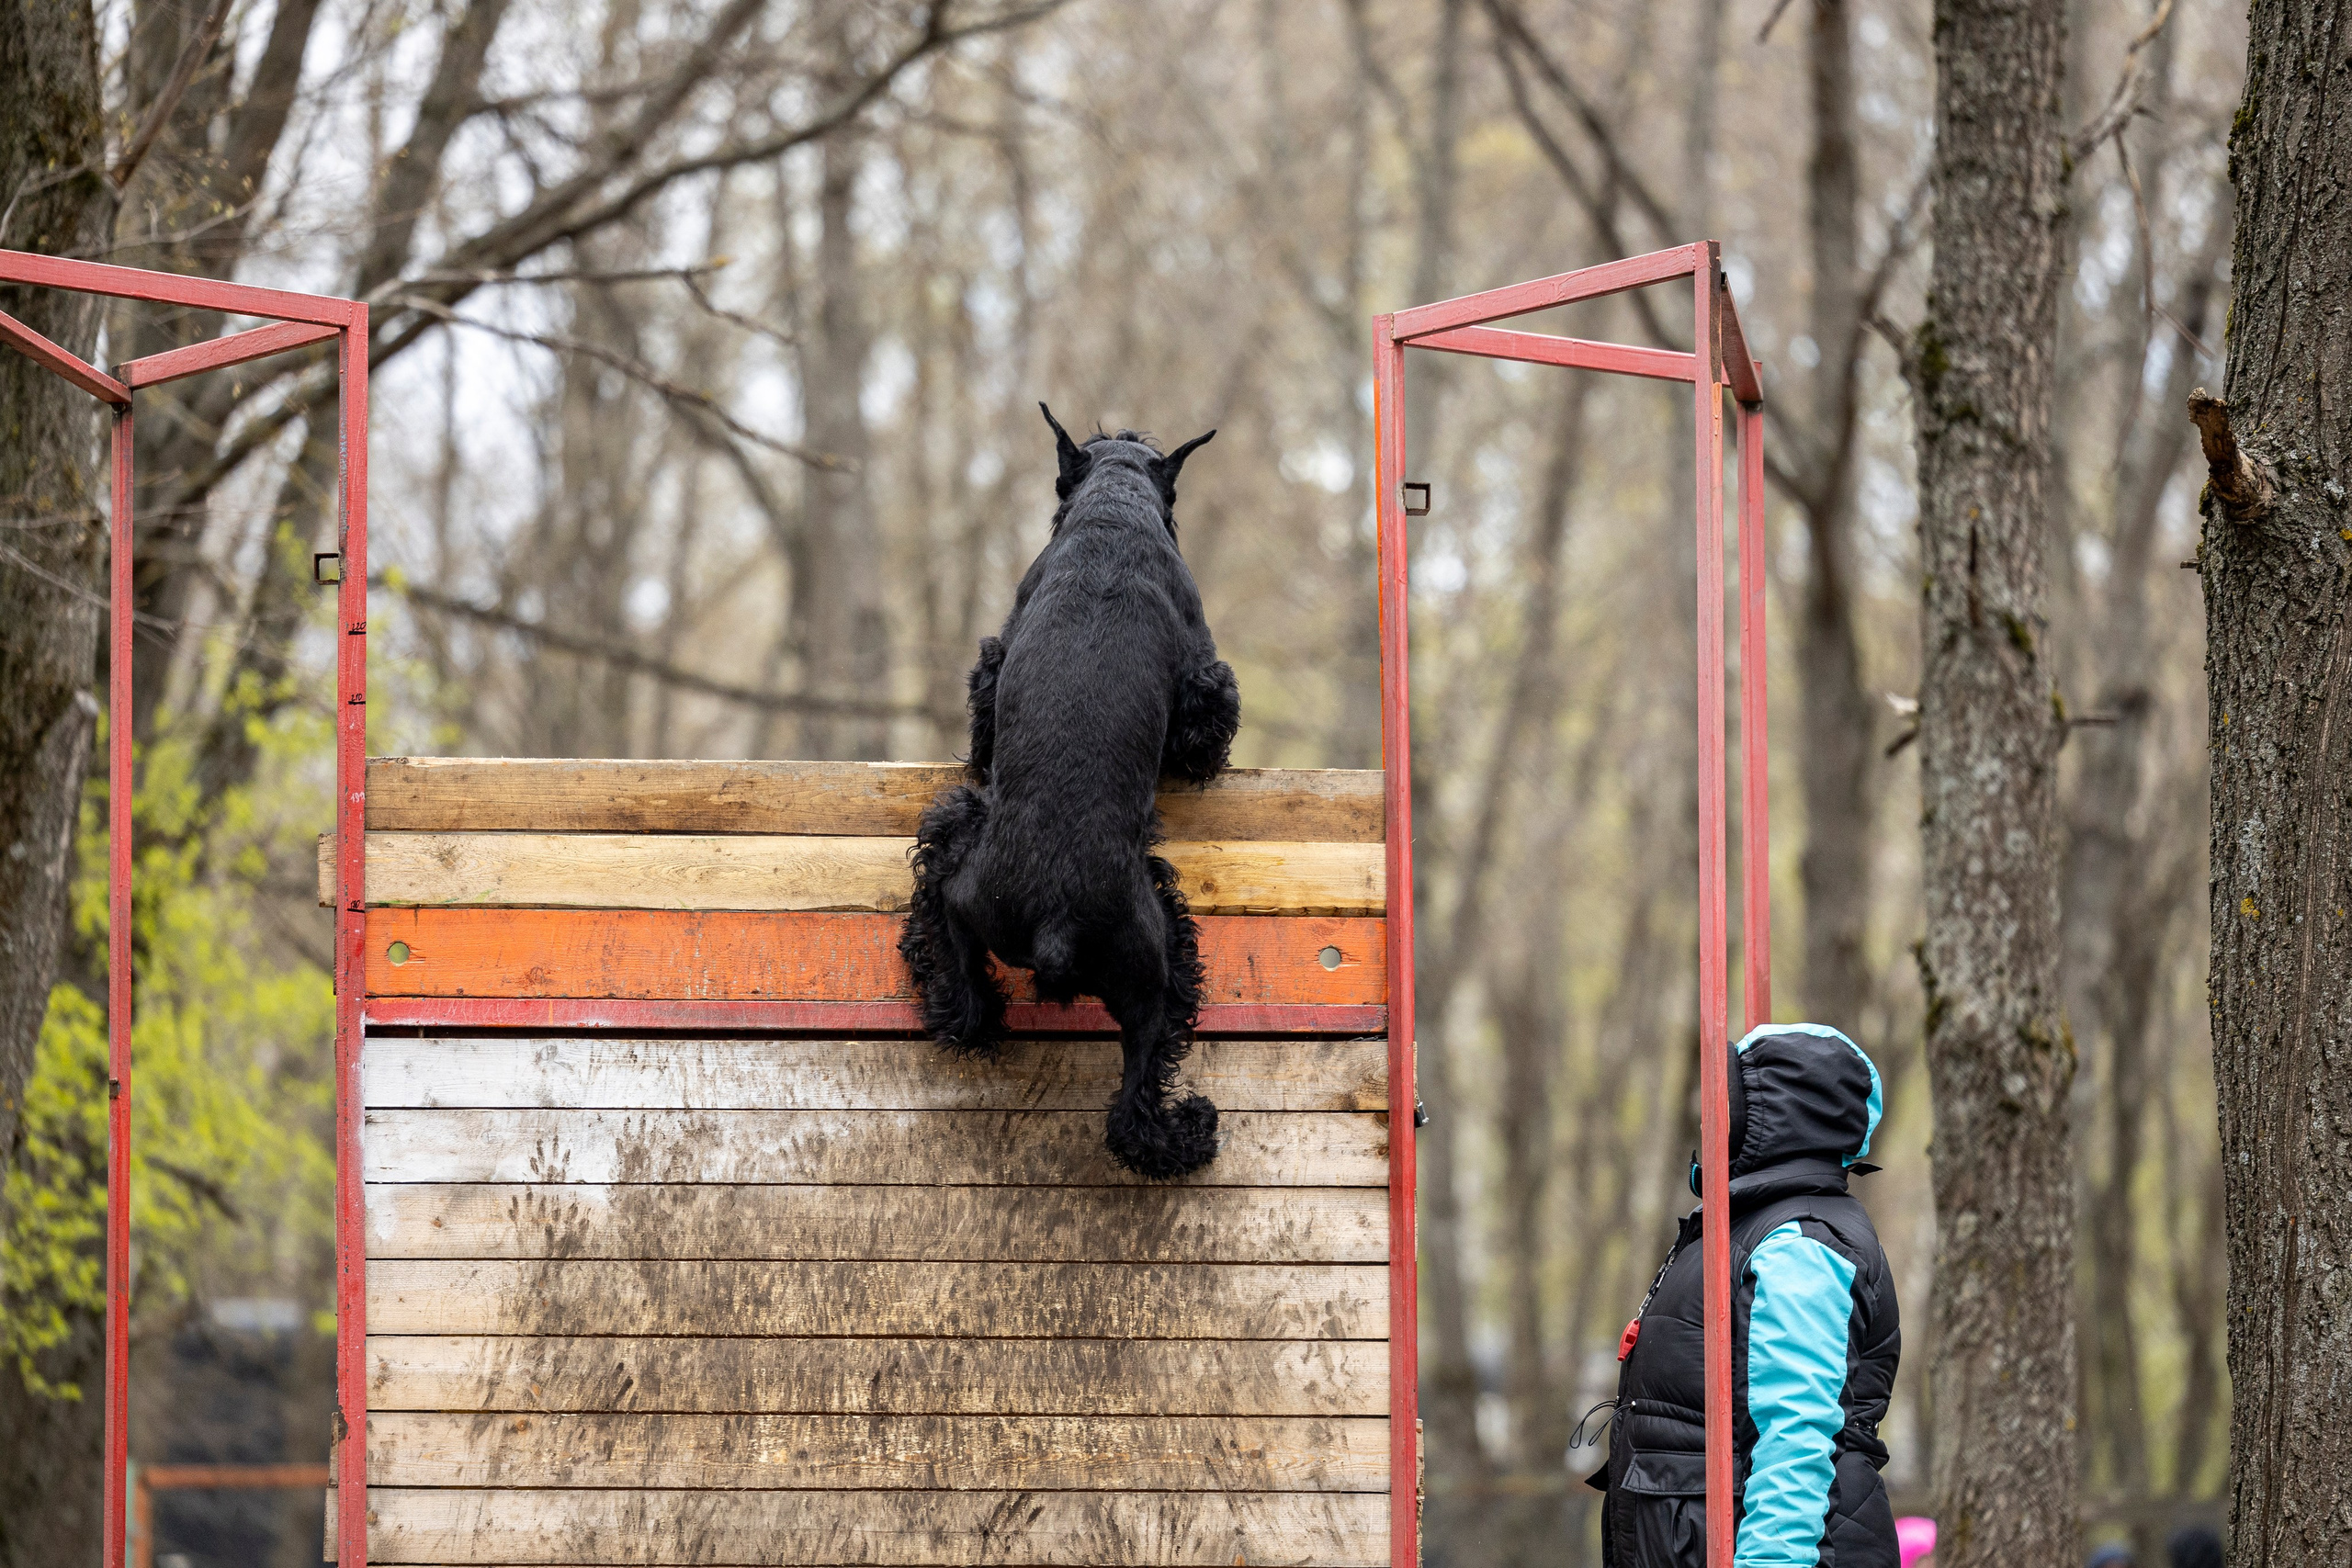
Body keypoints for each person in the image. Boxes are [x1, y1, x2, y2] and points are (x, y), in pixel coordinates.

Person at [1591, 1023, 1900, 1566]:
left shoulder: (1801, 1243)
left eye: (1726, 1097)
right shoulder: (1748, 1227)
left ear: (1771, 1113)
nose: (1709, 1119)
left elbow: (1795, 1442)